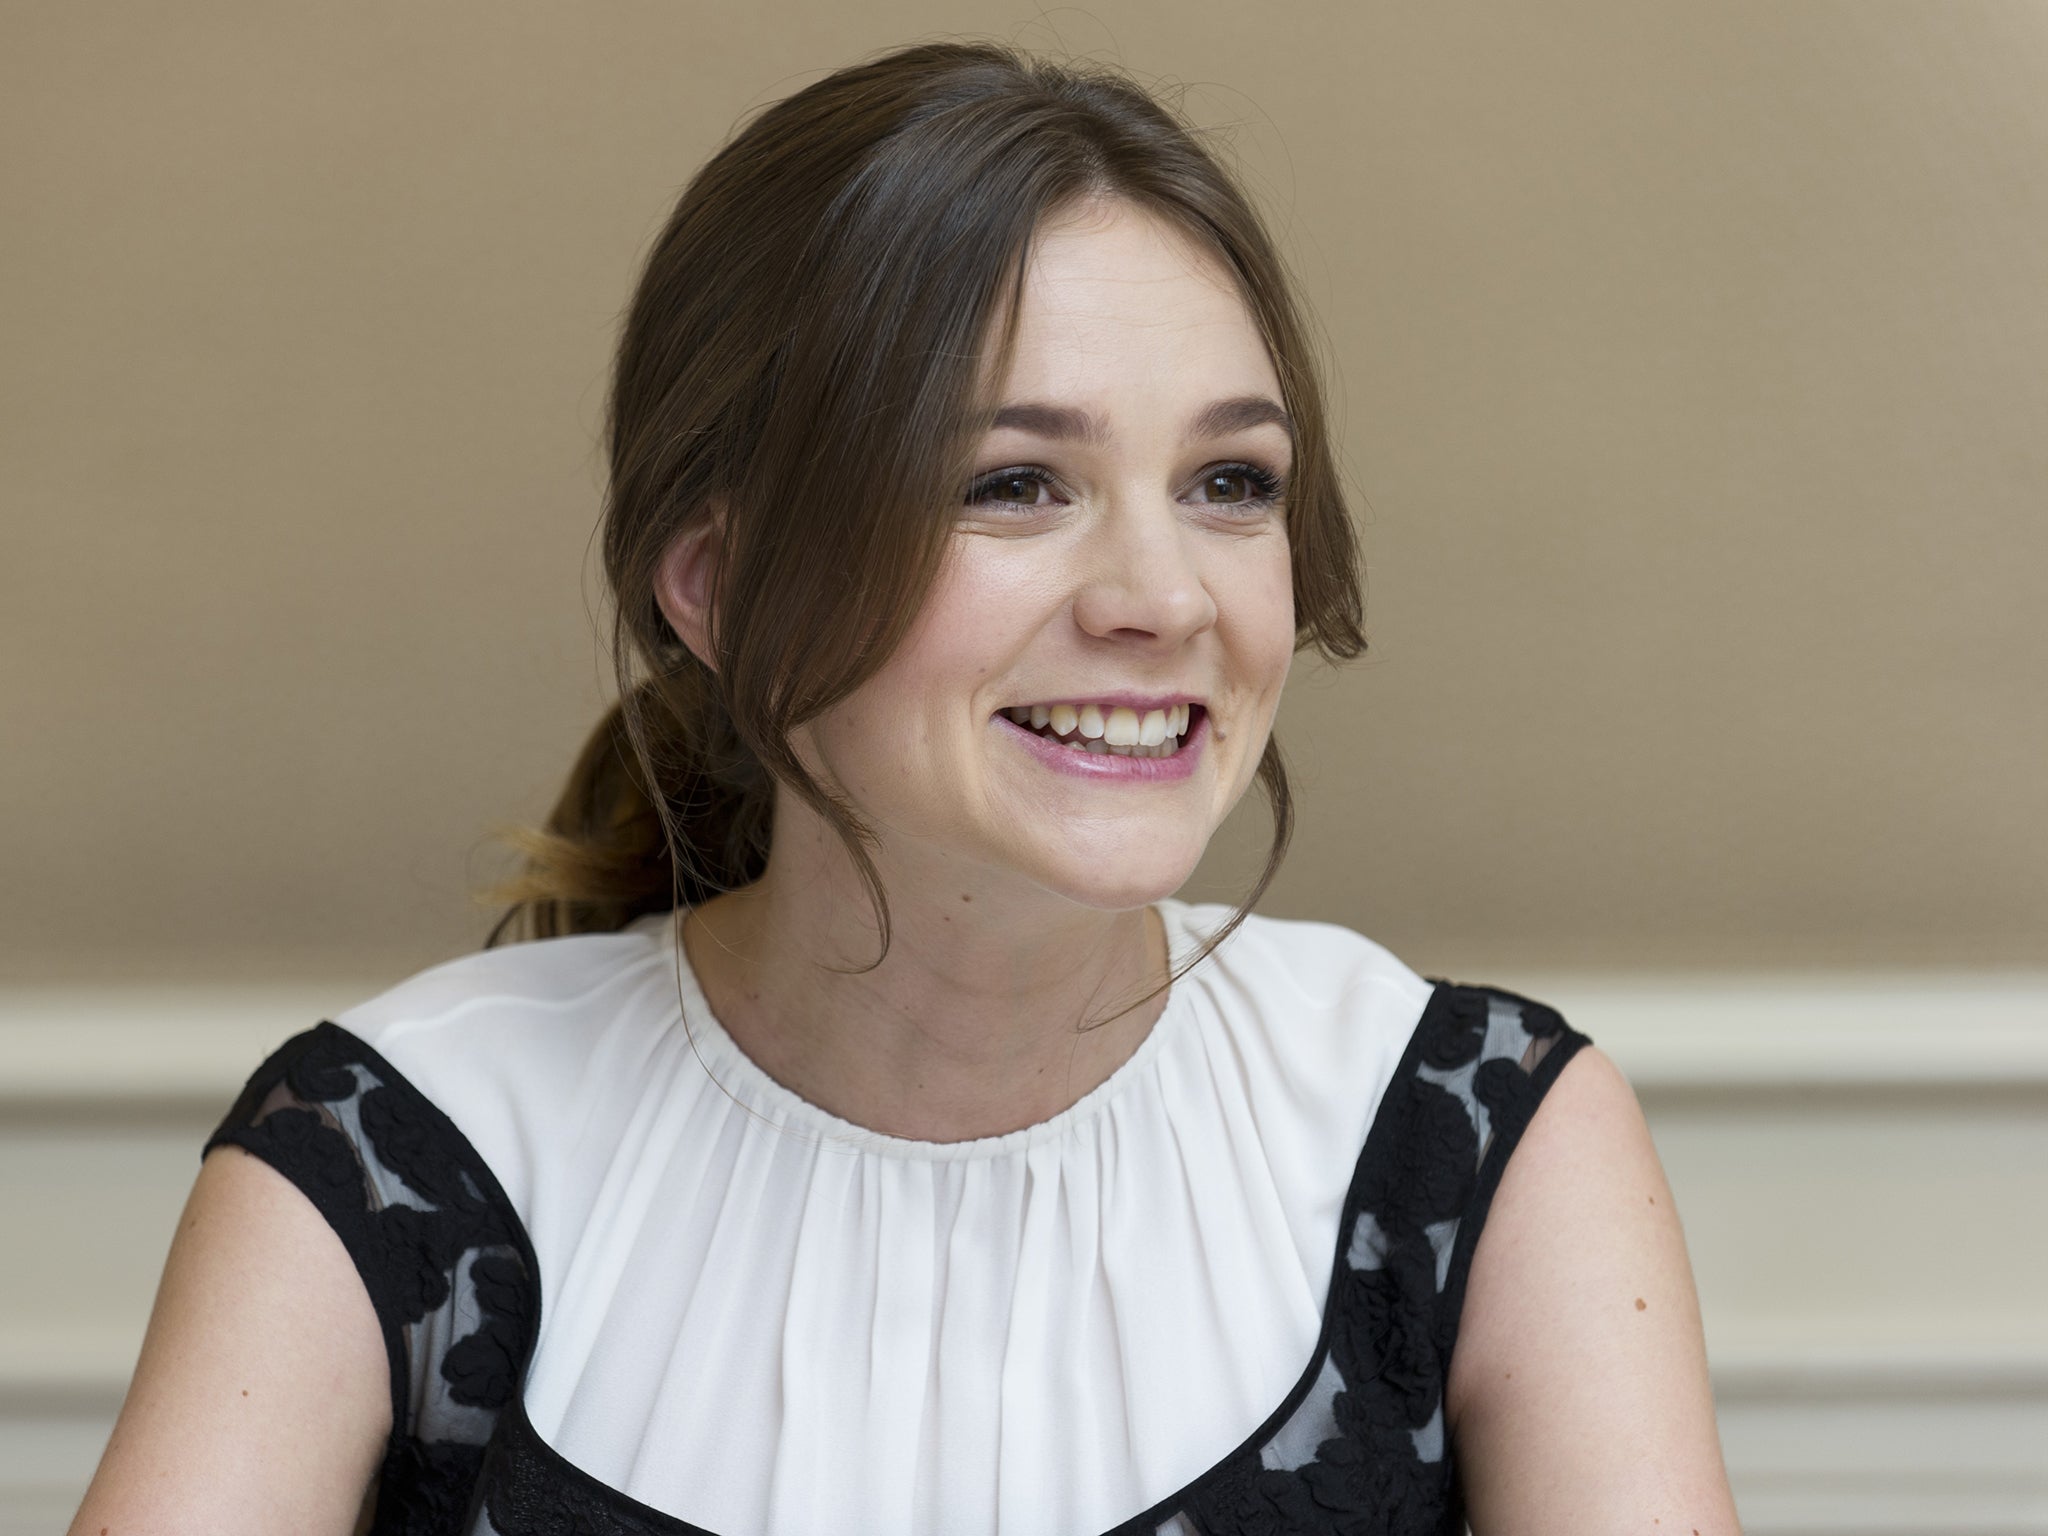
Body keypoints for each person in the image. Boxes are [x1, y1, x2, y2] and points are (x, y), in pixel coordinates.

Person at [70, 40, 1739, 1536]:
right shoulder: (385, 1170)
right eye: (1016, 484)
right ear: (718, 585)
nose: (1163, 596)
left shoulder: (1482, 1143)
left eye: (1232, 481)